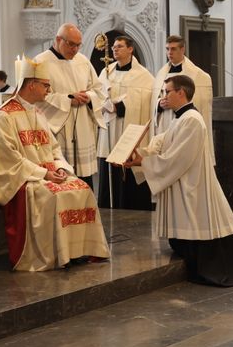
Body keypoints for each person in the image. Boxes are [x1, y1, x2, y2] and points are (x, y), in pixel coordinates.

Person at [124, 75, 233, 287]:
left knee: (199, 230)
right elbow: (164, 141)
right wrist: (141, 154)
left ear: (181, 93)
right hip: (184, 182)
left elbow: (178, 158)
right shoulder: (180, 118)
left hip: (191, 184)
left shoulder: (192, 119)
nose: (164, 96)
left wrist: (145, 162)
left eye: (167, 91)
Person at [0, 63, 109, 270]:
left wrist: (60, 167)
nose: (49, 91)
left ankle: (76, 250)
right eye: (46, 86)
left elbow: (54, 148)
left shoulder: (38, 114)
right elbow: (8, 159)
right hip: (25, 179)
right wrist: (44, 174)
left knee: (82, 188)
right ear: (31, 85)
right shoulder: (4, 116)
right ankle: (58, 253)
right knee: (55, 195)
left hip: (48, 173)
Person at [33, 23, 106, 189]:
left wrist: (88, 97)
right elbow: (37, 96)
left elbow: (98, 90)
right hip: (58, 129)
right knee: (62, 178)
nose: (75, 50)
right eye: (71, 44)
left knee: (84, 180)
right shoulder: (41, 62)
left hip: (82, 127)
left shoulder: (83, 61)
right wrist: (67, 99)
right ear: (58, 40)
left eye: (78, 45)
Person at [97, 35, 156, 210]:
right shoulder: (106, 72)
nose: (115, 49)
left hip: (127, 128)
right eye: (114, 47)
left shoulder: (144, 76)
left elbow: (146, 101)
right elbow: (97, 94)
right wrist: (104, 102)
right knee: (110, 170)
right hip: (109, 128)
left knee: (128, 166)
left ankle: (131, 206)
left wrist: (121, 106)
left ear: (130, 49)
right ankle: (108, 205)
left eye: (120, 46)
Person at [153, 35, 213, 137]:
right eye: (167, 49)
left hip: (186, 124)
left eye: (173, 49)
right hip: (165, 121)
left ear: (182, 49)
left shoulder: (199, 75)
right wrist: (159, 104)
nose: (169, 52)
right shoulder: (161, 74)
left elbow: (201, 105)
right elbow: (155, 99)